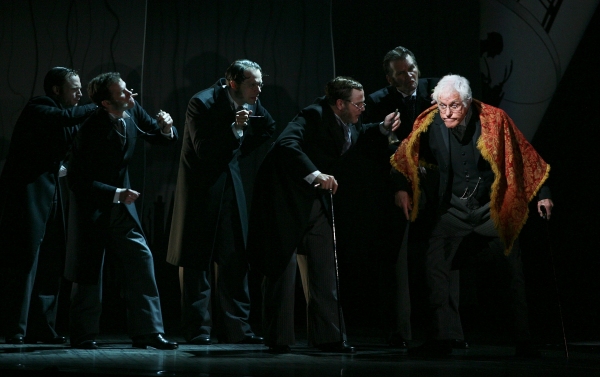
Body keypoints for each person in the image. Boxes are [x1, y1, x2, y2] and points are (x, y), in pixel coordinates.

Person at [391, 74, 553, 357]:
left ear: (466, 102)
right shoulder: (430, 121)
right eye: (441, 106)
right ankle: (441, 338)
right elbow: (406, 154)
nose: (447, 113)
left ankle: (524, 340)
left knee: (513, 269)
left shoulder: (494, 119)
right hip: (453, 210)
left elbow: (524, 153)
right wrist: (402, 187)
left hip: (489, 208)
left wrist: (543, 193)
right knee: (434, 264)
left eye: (453, 106)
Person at [247, 76, 399, 354]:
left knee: (324, 265)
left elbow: (357, 132)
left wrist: (381, 128)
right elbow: (286, 144)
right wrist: (315, 174)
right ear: (340, 103)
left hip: (314, 200)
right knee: (283, 267)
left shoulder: (346, 121)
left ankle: (328, 336)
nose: (363, 108)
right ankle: (278, 339)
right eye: (358, 103)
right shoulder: (312, 115)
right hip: (285, 198)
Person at [64, 72, 178, 350]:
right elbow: (78, 179)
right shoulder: (89, 127)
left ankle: (148, 331)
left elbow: (157, 135)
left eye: (128, 90)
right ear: (105, 103)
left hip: (122, 208)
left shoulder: (132, 109)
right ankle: (84, 333)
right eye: (123, 93)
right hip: (94, 205)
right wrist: (115, 193)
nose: (131, 95)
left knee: (141, 259)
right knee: (89, 269)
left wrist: (166, 128)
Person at [363, 46, 465, 349]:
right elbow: (377, 147)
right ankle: (398, 332)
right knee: (397, 260)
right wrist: (399, 184)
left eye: (411, 69)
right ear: (389, 78)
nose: (409, 76)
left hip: (439, 189)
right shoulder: (378, 101)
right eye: (400, 73)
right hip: (400, 189)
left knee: (445, 259)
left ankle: (448, 330)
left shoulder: (439, 91)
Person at [166, 59, 274, 345]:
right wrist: (235, 131)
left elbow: (267, 128)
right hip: (201, 190)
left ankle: (238, 329)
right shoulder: (201, 102)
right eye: (253, 84)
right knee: (196, 261)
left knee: (234, 259)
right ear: (234, 83)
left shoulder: (251, 101)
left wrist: (237, 150)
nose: (259, 90)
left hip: (229, 188)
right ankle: (198, 330)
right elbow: (203, 149)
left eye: (261, 83)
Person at [0, 67, 96, 344]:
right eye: (75, 88)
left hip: (51, 193)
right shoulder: (39, 106)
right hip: (27, 195)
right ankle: (15, 327)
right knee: (25, 260)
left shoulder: (70, 116)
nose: (80, 93)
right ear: (56, 90)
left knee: (51, 259)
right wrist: (97, 105)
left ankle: (43, 327)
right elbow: (63, 118)